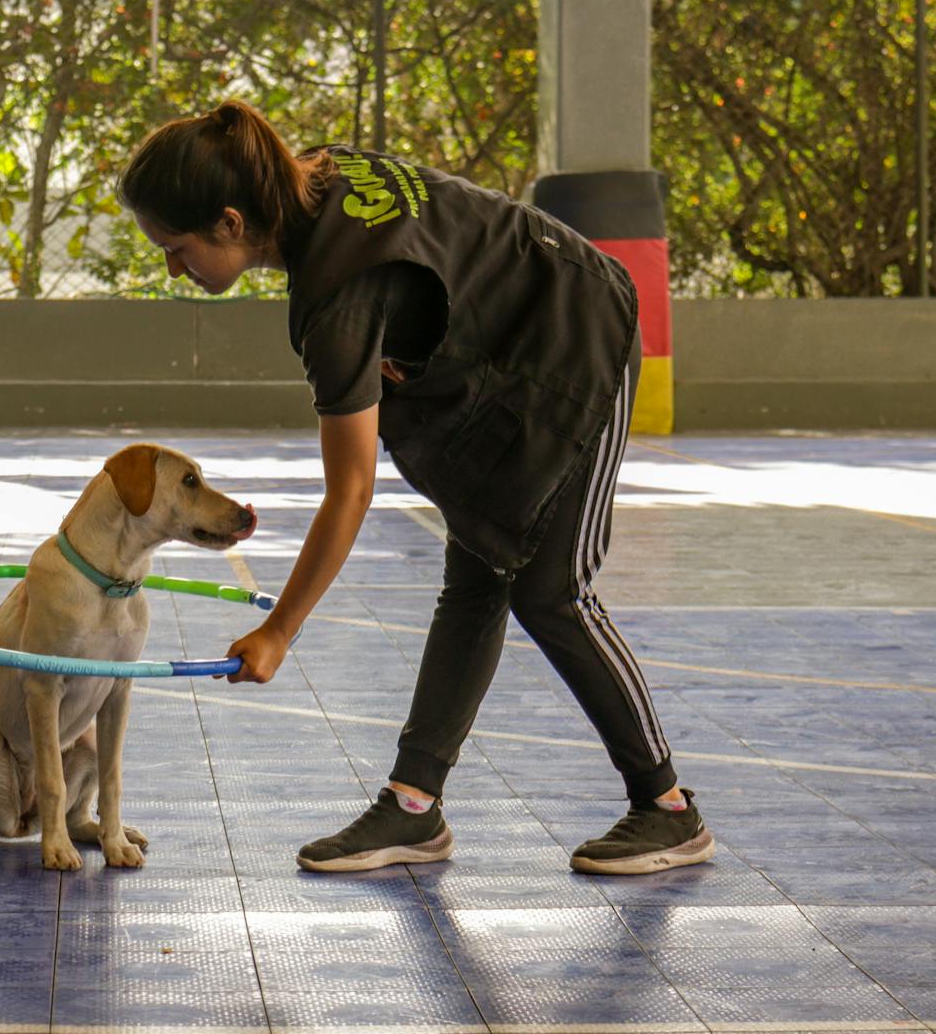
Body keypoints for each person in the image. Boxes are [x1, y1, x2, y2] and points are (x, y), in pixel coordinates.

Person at [115, 99, 712, 876]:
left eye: (176, 246)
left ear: (231, 222)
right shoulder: (312, 179)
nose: (173, 266)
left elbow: (351, 491)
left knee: (549, 592)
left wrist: (279, 631)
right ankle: (413, 809)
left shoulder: (340, 299)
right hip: (513, 348)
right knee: (478, 573)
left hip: (582, 338)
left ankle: (668, 810)